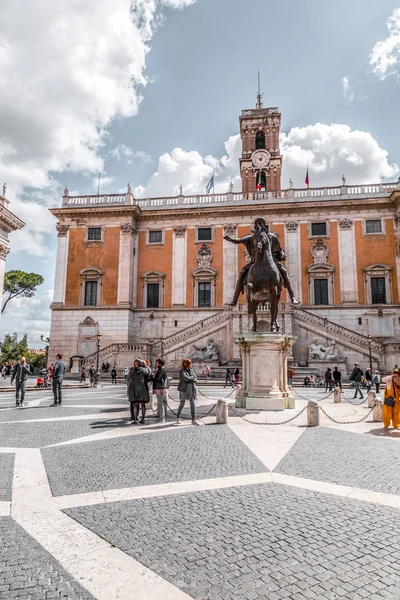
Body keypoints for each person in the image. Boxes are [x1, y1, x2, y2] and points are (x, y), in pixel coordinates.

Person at [127, 359, 153, 425]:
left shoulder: (132, 371)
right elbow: (149, 379)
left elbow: (130, 380)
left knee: (135, 405)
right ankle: (143, 419)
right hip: (143, 389)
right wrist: (151, 375)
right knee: (143, 405)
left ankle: (135, 420)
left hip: (135, 390)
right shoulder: (144, 370)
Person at [177, 358, 199, 426]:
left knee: (193, 405)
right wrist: (192, 377)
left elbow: (196, 379)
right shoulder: (182, 371)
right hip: (184, 389)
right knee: (182, 404)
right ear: (187, 364)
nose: (191, 364)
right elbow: (186, 378)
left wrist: (191, 378)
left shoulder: (191, 370)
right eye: (190, 363)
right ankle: (178, 417)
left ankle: (193, 420)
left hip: (192, 389)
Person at [153, 357, 168, 423]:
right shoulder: (162, 368)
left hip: (159, 387)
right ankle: (161, 416)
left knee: (160, 403)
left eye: (156, 362)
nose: (155, 363)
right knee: (161, 403)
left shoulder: (161, 369)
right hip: (161, 387)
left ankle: (162, 418)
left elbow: (157, 378)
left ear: (159, 363)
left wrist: (152, 376)